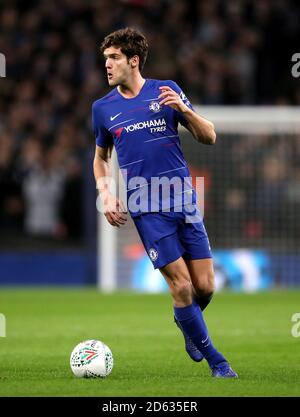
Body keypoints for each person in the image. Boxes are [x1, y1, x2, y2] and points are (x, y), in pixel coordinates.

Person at [92, 27, 238, 378]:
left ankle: (187, 322)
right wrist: (107, 192)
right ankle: (218, 363)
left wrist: (185, 111)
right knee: (182, 285)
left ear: (133, 60)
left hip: (184, 200)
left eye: (113, 58)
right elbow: (100, 158)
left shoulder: (166, 91)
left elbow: (210, 137)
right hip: (146, 205)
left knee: (204, 287)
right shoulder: (103, 109)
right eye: (105, 59)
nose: (107, 66)